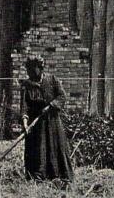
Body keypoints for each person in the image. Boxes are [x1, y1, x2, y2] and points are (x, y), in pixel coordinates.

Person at [19, 55, 74, 183]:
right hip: (36, 124)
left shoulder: (52, 80)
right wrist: (25, 123)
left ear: (40, 68)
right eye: (28, 69)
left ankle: (59, 176)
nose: (29, 72)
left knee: (56, 147)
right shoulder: (26, 85)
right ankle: (38, 177)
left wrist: (50, 106)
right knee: (38, 150)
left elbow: (62, 96)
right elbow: (24, 106)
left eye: (32, 69)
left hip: (52, 122)